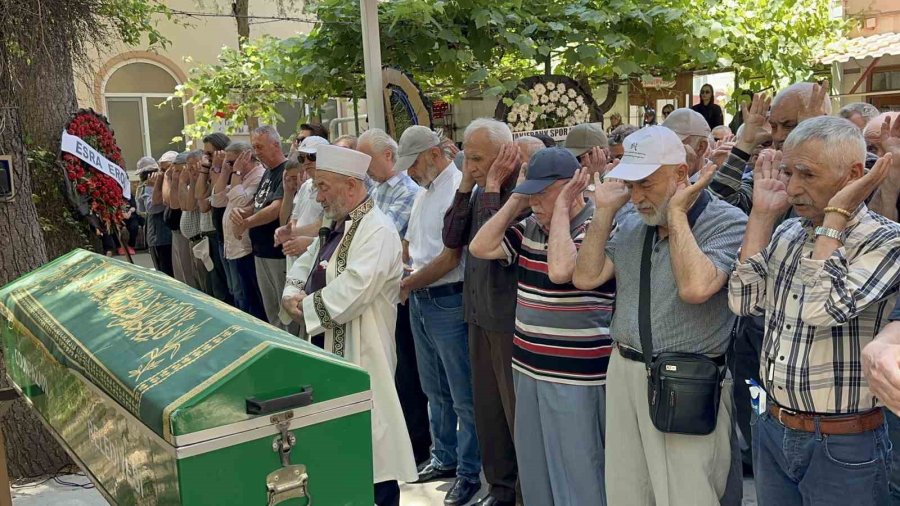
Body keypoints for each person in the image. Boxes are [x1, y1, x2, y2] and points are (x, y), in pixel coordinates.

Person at [729, 116, 900, 506]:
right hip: (773, 424)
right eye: (788, 172)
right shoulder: (789, 231)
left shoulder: (886, 242)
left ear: (853, 174)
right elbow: (743, 301)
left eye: (806, 174)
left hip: (843, 441)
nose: (792, 188)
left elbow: (823, 309)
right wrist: (760, 215)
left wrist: (835, 219)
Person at [573, 126, 747, 505]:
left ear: (681, 174)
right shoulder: (635, 221)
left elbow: (696, 289)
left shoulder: (725, 221)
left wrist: (679, 215)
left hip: (686, 379)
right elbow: (585, 276)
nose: (636, 197)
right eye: (630, 185)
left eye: (646, 184)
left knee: (689, 493)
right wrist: (603, 211)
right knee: (628, 489)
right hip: (625, 370)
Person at [471, 148, 614, 505]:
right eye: (530, 192)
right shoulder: (530, 226)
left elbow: (561, 270)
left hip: (576, 377)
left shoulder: (599, 225)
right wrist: (516, 198)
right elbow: (480, 246)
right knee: (537, 476)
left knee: (579, 475)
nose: (534, 201)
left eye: (542, 192)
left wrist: (562, 208)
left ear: (572, 187)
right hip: (529, 370)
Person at [281, 144, 417, 506]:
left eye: (324, 186)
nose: (318, 195)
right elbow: (307, 260)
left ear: (352, 187)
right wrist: (291, 292)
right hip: (327, 347)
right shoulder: (337, 224)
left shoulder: (379, 231)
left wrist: (304, 308)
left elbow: (356, 287)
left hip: (365, 351)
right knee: (340, 441)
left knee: (373, 445)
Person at [393, 125, 481, 505]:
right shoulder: (426, 191)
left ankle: (468, 470)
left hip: (446, 296)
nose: (409, 172)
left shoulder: (460, 187)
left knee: (462, 394)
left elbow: (450, 257)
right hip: (423, 296)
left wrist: (408, 283)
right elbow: (412, 247)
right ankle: (444, 456)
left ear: (432, 154)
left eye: (412, 163)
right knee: (434, 390)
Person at [443, 118, 521, 506]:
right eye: (465, 156)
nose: (469, 165)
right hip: (477, 314)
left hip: (508, 319)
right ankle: (500, 488)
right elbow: (452, 238)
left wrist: (491, 187)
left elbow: (492, 241)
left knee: (513, 413)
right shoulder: (474, 189)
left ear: (504, 156)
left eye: (477, 158)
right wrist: (465, 186)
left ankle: (522, 491)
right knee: (487, 411)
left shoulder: (518, 192)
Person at [360, 127, 430, 466]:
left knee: (407, 374)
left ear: (389, 156)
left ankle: (416, 444)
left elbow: (384, 242)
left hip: (397, 293)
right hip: (379, 292)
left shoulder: (407, 191)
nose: (363, 166)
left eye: (367, 158)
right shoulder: (372, 188)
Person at [709, 81, 832, 213]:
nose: (778, 136)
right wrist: (745, 144)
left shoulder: (840, 174)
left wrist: (813, 139)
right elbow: (717, 209)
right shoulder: (769, 172)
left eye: (789, 126)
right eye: (773, 126)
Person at [232, 125, 290, 329]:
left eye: (259, 147)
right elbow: (259, 203)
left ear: (275, 145)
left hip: (276, 252)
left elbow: (275, 208)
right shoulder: (268, 172)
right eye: (254, 147)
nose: (256, 153)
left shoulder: (285, 171)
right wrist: (244, 212)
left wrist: (246, 223)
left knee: (284, 311)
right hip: (260, 251)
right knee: (271, 310)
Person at [214, 141, 267, 321]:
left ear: (246, 157)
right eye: (228, 162)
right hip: (234, 247)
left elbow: (240, 203)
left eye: (232, 161)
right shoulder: (239, 177)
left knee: (251, 300)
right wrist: (225, 171)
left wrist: (235, 172)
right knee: (238, 295)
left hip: (246, 248)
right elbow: (217, 200)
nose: (230, 166)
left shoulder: (258, 176)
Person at [278, 136, 330, 270]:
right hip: (296, 257)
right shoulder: (305, 186)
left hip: (316, 258)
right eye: (302, 158)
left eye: (311, 157)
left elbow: (322, 225)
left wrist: (290, 234)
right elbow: (292, 219)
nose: (306, 162)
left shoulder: (332, 187)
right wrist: (290, 233)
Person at [137, 156, 173, 276]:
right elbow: (142, 209)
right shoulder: (145, 187)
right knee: (161, 273)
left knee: (168, 272)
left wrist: (154, 186)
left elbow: (153, 207)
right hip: (155, 238)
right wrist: (146, 188)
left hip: (164, 237)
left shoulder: (163, 185)